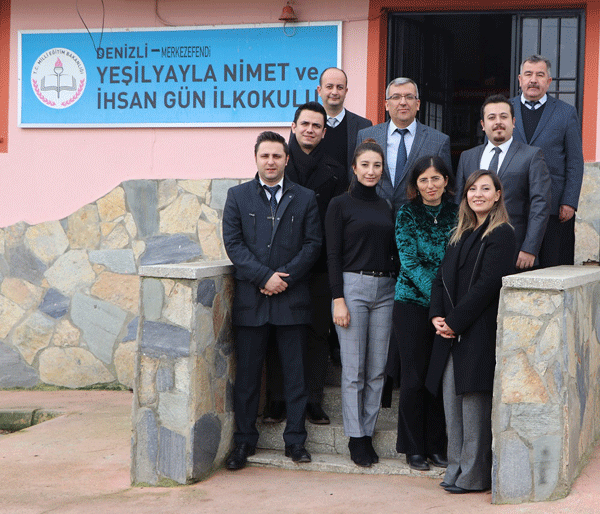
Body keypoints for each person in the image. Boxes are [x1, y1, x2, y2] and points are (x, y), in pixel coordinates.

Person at [222, 131, 322, 470]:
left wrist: (283, 278)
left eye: (277, 156)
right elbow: (233, 244)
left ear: (286, 159)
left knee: (296, 378)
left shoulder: (306, 197)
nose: (271, 162)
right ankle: (243, 443)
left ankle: (295, 442)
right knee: (248, 379)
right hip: (252, 301)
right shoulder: (237, 196)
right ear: (256, 158)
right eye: (265, 156)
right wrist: (263, 276)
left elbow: (312, 245)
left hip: (291, 301)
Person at [426, 169, 516, 494]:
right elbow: (440, 279)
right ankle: (455, 470)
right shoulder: (460, 233)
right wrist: (437, 315)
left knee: (474, 405)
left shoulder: (502, 233)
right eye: (472, 189)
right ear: (465, 196)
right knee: (453, 405)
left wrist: (454, 322)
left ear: (497, 195)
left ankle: (474, 476)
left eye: (485, 189)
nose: (477, 194)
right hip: (450, 331)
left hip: (476, 330)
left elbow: (487, 286)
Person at [264, 101, 347, 426]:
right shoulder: (279, 163)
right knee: (277, 332)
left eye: (317, 125)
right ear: (294, 127)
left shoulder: (336, 170)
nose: (310, 129)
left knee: (315, 333)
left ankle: (313, 399)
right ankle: (276, 400)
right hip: (280, 266)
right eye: (305, 124)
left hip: (319, 266)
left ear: (324, 132)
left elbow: (336, 222)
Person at [324, 139, 396, 467]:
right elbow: (333, 254)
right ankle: (355, 436)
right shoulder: (340, 204)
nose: (371, 171)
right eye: (365, 165)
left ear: (383, 170)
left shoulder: (386, 206)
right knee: (354, 367)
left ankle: (368, 431)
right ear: (354, 168)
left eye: (377, 166)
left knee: (377, 368)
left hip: (386, 290)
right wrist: (337, 298)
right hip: (353, 287)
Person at [393, 156, 457, 471]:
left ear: (446, 180)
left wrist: (444, 304)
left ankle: (437, 445)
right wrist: (436, 300)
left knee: (438, 377)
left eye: (435, 179)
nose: (430, 186)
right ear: (415, 185)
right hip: (411, 305)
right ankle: (413, 447)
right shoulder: (407, 213)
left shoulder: (459, 213)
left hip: (447, 307)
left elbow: (458, 260)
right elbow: (409, 261)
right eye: (423, 180)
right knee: (414, 377)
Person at [455, 94, 551, 270]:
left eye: (504, 116)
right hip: (473, 249)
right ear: (483, 125)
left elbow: (541, 204)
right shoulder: (467, 157)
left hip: (516, 251)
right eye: (491, 117)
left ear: (513, 122)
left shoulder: (531, 156)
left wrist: (530, 248)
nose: (498, 122)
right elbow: (459, 204)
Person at [511, 55, 584, 267]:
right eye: (528, 74)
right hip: (514, 204)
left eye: (539, 75)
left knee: (554, 267)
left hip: (554, 207)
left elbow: (574, 161)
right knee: (513, 267)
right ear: (520, 79)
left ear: (548, 81)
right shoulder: (505, 110)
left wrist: (569, 201)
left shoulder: (565, 112)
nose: (533, 80)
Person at [356, 77, 452, 213]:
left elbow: (447, 191)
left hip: (419, 223)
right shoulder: (366, 135)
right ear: (387, 105)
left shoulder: (438, 141)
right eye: (396, 97)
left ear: (418, 104)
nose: (403, 102)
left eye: (409, 97)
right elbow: (356, 180)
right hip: (372, 217)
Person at [317, 67, 373, 177]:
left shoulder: (364, 126)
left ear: (346, 91)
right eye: (329, 87)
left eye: (340, 87)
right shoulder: (306, 125)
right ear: (319, 90)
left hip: (350, 193)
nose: (334, 92)